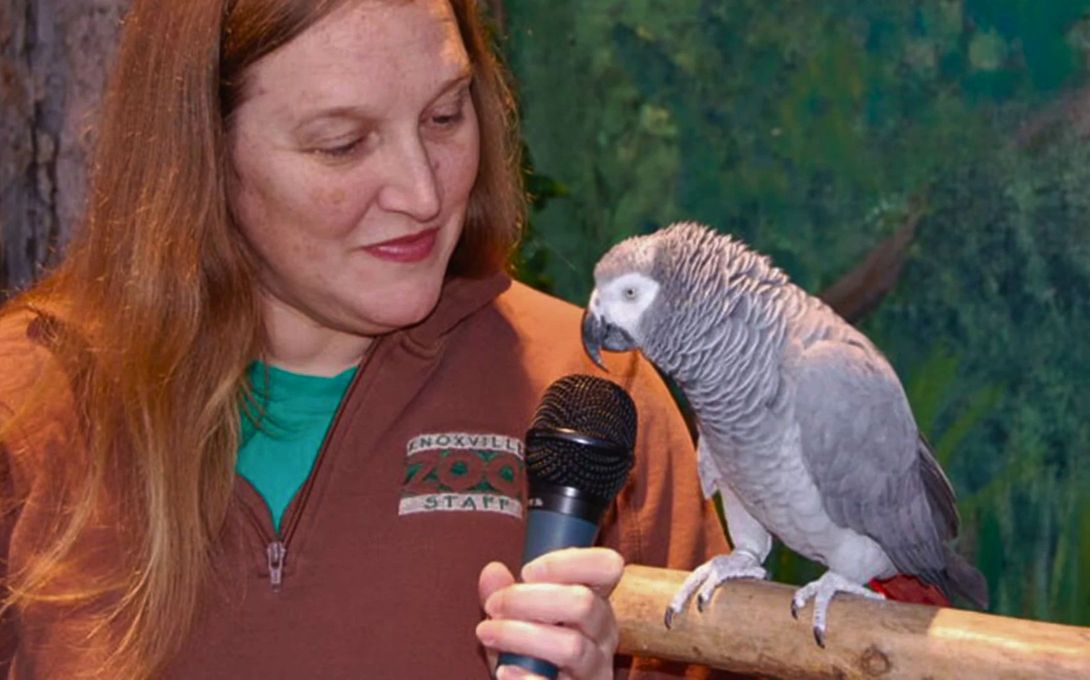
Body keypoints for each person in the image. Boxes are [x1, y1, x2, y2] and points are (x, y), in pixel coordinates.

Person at [0, 0, 731, 678]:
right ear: (199, 153)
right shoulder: (27, 406)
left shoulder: (588, 395)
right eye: (342, 145)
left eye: (445, 115)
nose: (422, 193)